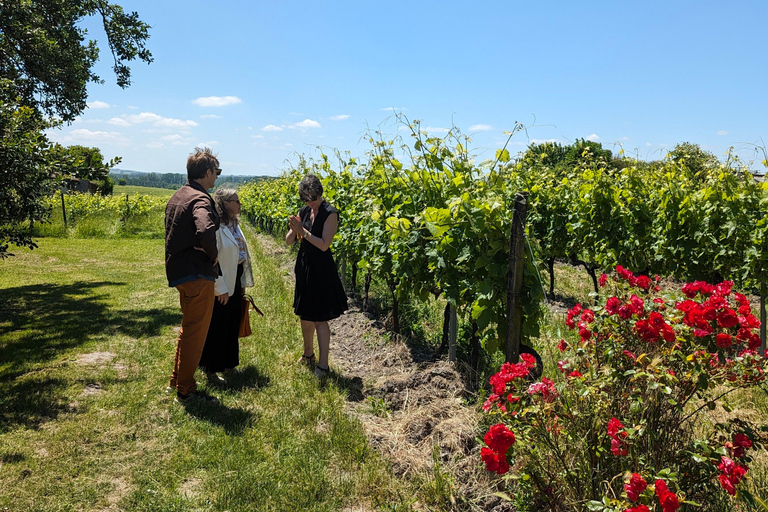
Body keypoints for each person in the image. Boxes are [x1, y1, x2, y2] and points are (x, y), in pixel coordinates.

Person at [165, 147, 221, 405]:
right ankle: (186, 389)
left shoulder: (178, 196)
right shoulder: (201, 198)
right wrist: (213, 255)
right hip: (197, 273)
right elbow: (205, 228)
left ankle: (177, 378)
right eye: (216, 172)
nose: (217, 177)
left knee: (188, 327)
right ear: (207, 172)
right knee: (196, 332)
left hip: (179, 272)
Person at [285, 174, 348, 378]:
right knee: (305, 314)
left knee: (320, 318)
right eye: (305, 198)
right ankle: (308, 354)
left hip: (321, 268)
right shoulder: (303, 211)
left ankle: (323, 364)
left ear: (319, 193)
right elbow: (289, 241)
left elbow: (323, 244)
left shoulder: (330, 213)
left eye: (311, 198)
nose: (308, 202)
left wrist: (302, 230)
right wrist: (293, 230)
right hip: (304, 265)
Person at [198, 188, 254, 383]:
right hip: (221, 279)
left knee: (232, 321)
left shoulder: (234, 224)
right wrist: (218, 286)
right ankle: (211, 368)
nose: (239, 204)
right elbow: (212, 260)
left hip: (235, 276)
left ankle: (230, 364)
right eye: (235, 200)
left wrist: (242, 283)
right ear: (224, 203)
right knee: (218, 324)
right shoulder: (216, 227)